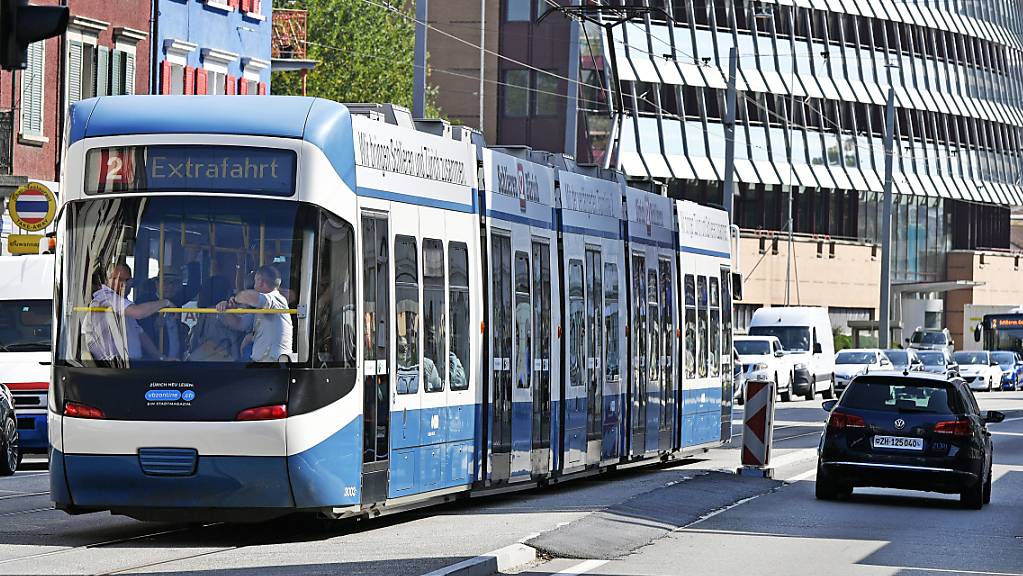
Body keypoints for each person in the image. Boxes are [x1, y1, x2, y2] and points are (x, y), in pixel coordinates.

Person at [84, 262, 171, 364]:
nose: (123, 284)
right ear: (107, 280)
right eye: (118, 279)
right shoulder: (105, 298)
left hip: (130, 365)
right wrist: (165, 302)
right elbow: (138, 312)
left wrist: (161, 357)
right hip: (111, 366)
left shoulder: (123, 304)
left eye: (127, 280)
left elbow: (140, 334)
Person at [216, 265, 293, 362]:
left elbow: (247, 296)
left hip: (274, 365)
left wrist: (234, 300)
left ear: (260, 281)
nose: (254, 285)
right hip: (262, 364)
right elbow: (238, 323)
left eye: (255, 280)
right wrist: (225, 309)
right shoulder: (263, 307)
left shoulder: (276, 299)